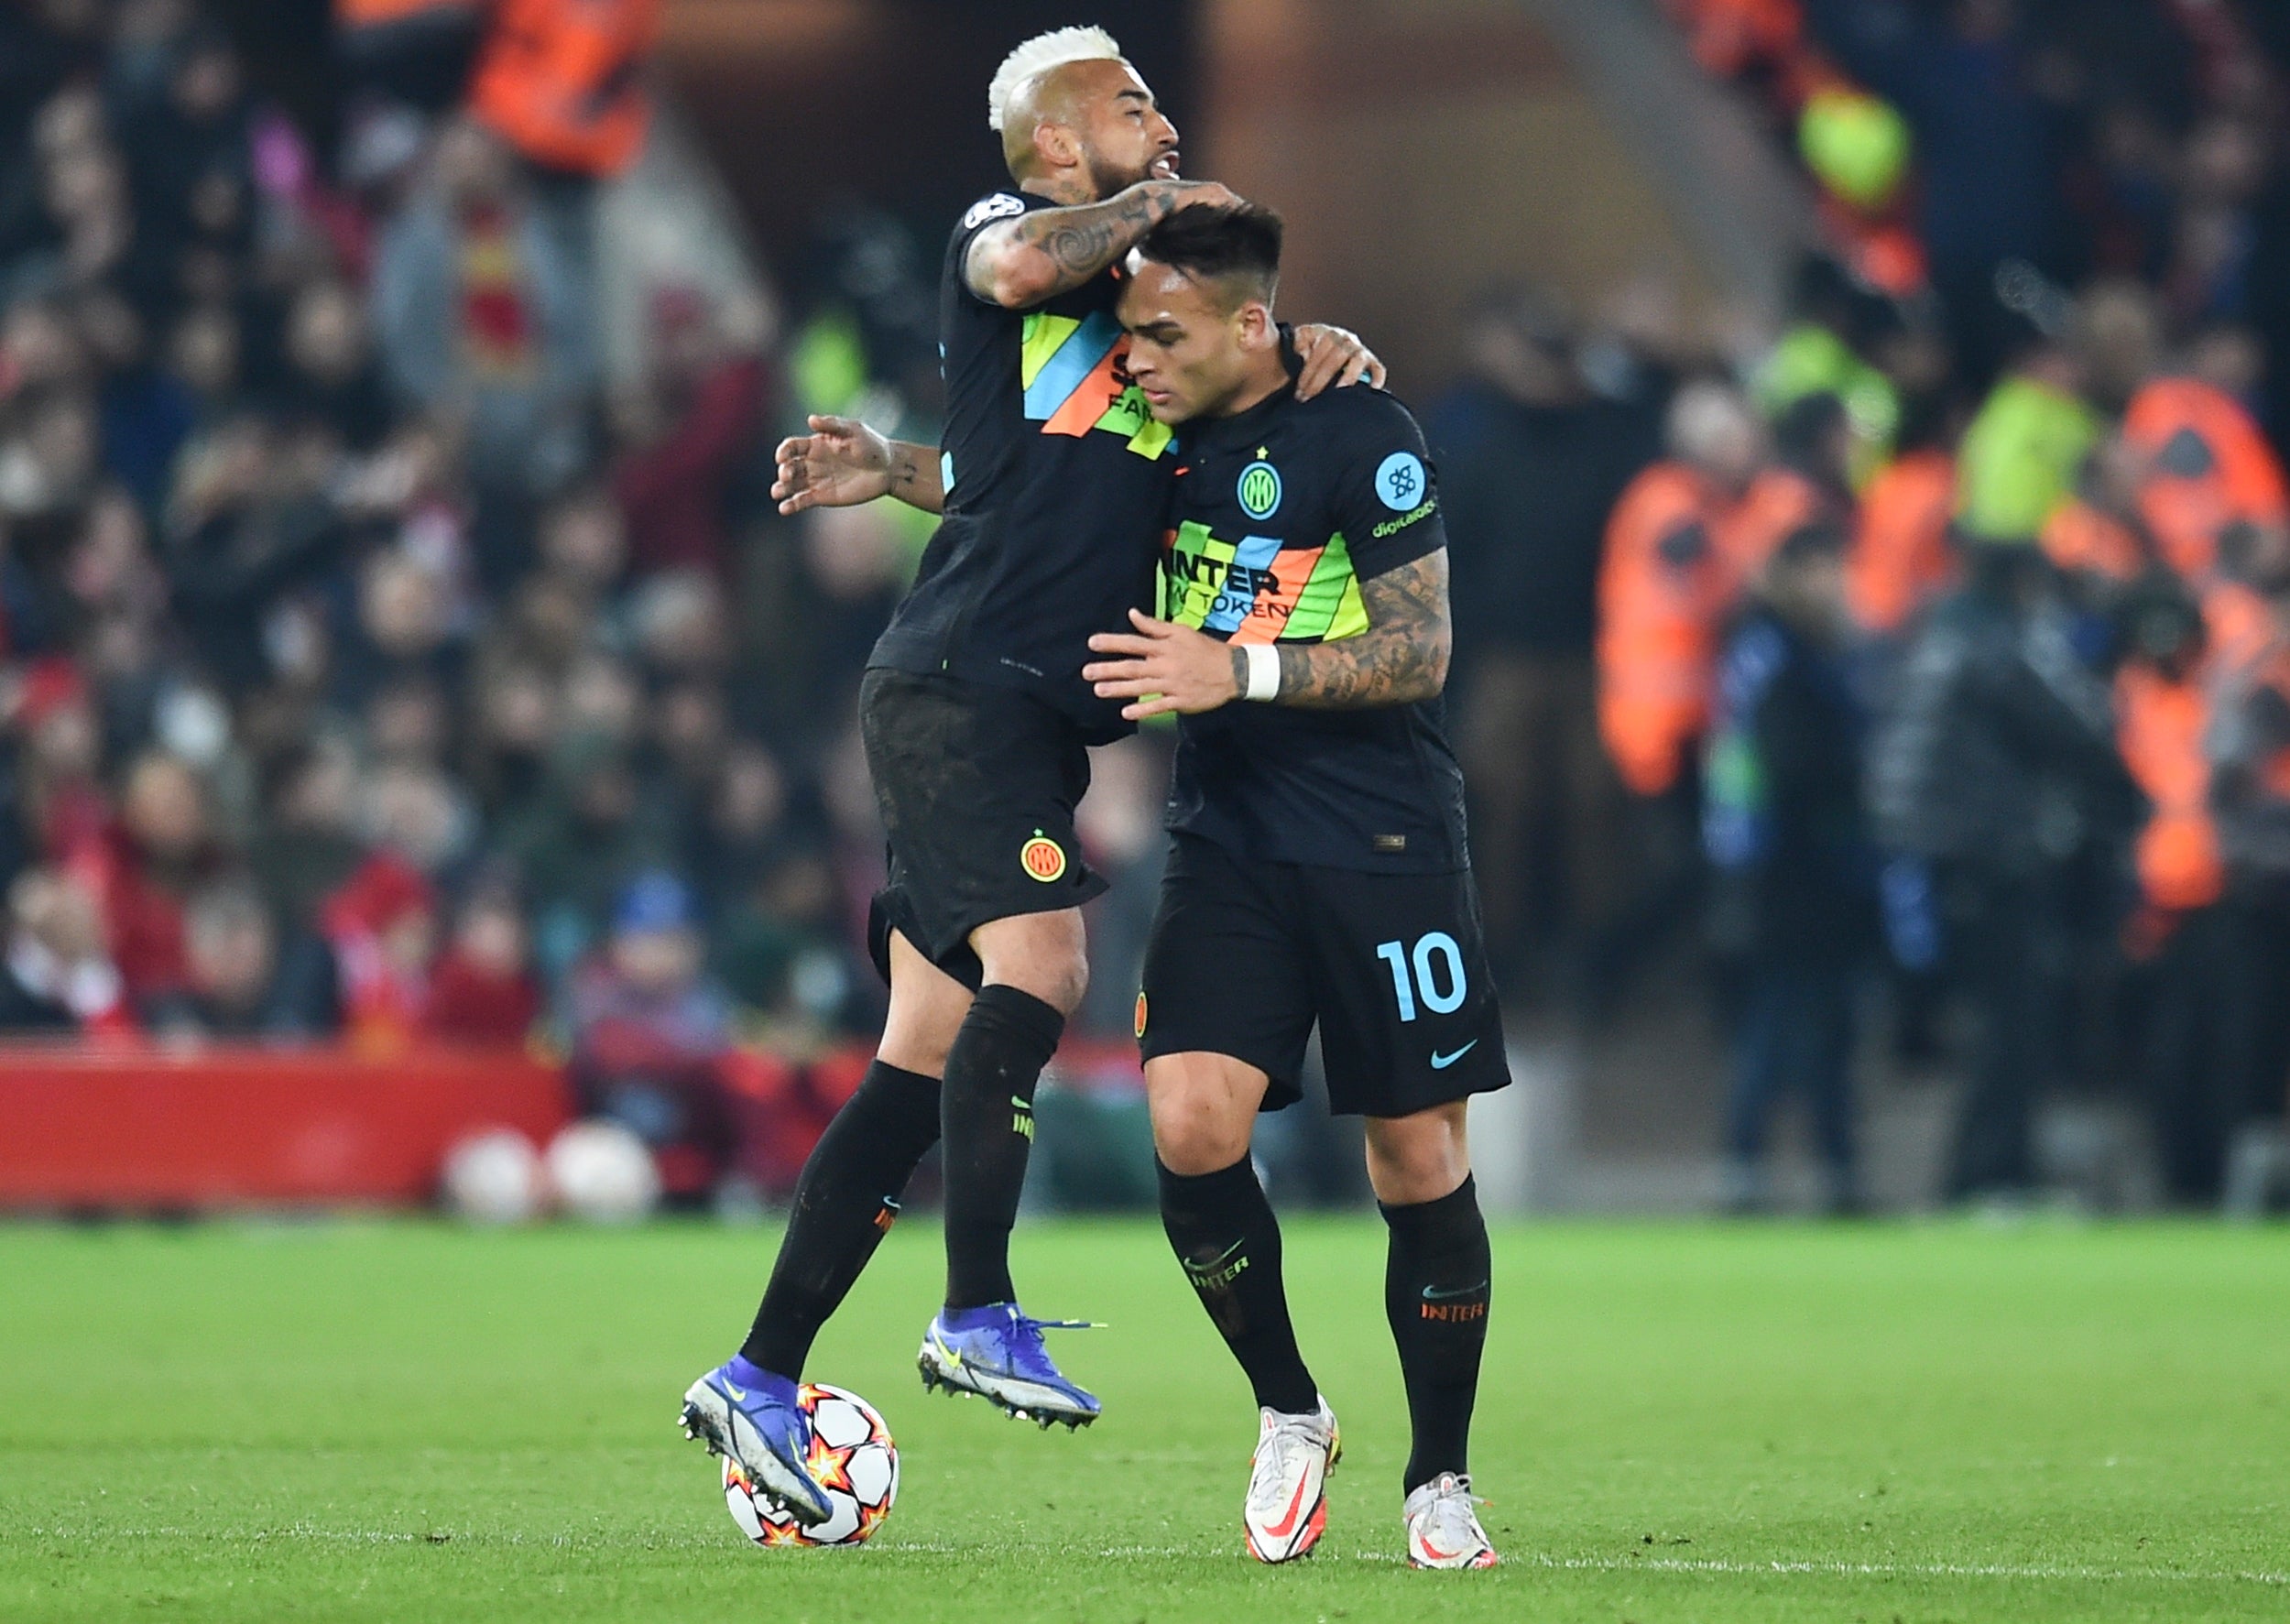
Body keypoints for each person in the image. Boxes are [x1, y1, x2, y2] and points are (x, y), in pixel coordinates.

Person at [677, 27, 1379, 1525]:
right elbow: (1008, 268)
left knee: (921, 1046)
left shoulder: (1128, 329)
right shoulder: (1004, 238)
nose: (1165, 119)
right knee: (1047, 960)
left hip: (1013, 710)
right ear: (1056, 143)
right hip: (962, 684)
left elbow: (1025, 474)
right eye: (1133, 106)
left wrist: (1307, 352)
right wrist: (1163, 201)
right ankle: (975, 1303)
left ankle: (759, 1365)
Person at [1080, 203, 1507, 1568]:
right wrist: (887, 468)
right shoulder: (1149, 436)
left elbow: (1420, 648)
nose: (1135, 357)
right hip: (1229, 837)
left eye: (1161, 333)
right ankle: (1288, 1406)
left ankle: (1439, 1477)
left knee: (1415, 1156)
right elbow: (1005, 483)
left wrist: (1237, 670)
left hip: (1385, 839)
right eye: (1126, 334)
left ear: (1251, 325)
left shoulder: (1364, 435)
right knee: (1190, 1120)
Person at [1703, 523, 1873, 1214]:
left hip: (1783, 865)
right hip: (1792, 868)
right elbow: (1790, 763)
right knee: (1788, 1023)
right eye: (1828, 567)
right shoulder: (1785, 654)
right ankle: (1756, 1168)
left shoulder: (1771, 648)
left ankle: (1823, 1169)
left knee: (1807, 1023)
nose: (1839, 583)